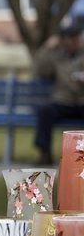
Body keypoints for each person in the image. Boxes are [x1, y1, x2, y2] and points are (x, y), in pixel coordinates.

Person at [33, 24, 84, 165]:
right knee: (44, 111)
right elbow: (40, 71)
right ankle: (45, 153)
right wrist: (47, 47)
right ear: (63, 40)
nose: (75, 41)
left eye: (77, 37)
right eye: (71, 38)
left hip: (82, 101)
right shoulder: (56, 56)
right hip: (63, 101)